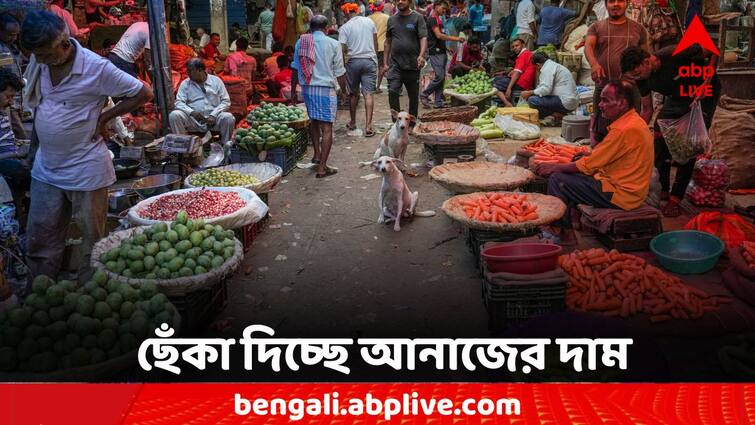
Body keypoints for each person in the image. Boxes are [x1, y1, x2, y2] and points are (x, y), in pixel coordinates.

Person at [21, 11, 153, 283]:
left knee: (91, 240)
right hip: (46, 167)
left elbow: (143, 93)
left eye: (44, 54)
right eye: (36, 55)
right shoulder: (39, 64)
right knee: (40, 236)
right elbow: (38, 110)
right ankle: (40, 288)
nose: (39, 61)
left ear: (65, 44)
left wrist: (104, 117)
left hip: (85, 168)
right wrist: (34, 150)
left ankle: (90, 289)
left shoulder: (97, 68)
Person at [535, 80, 653, 245]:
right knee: (572, 168)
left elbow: (589, 165)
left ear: (622, 103)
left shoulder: (624, 129)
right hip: (627, 188)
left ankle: (563, 233)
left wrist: (554, 166)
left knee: (558, 179)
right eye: (601, 100)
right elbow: (601, 156)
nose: (600, 105)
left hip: (622, 195)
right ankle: (570, 222)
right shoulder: (633, 121)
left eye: (606, 100)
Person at [621, 45, 720, 217]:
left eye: (637, 74)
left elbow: (713, 51)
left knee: (687, 144)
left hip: (704, 94)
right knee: (659, 137)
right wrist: (635, 134)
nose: (637, 78)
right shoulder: (641, 78)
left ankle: (676, 198)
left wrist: (706, 83)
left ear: (647, 61)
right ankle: (663, 189)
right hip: (677, 97)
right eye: (633, 76)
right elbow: (646, 109)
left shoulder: (675, 53)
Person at [291, 15, 349, 178]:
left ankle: (317, 154)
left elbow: (295, 68)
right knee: (327, 128)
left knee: (314, 122)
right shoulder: (333, 44)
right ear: (327, 28)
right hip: (325, 89)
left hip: (307, 88)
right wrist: (344, 91)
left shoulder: (301, 42)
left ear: (310, 27)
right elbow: (340, 71)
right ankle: (322, 167)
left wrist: (293, 89)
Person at [584, 0, 648, 144]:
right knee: (601, 130)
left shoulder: (639, 29)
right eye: (611, 1)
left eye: (620, 1)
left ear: (627, 3)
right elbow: (588, 47)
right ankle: (601, 160)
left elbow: (645, 56)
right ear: (606, 4)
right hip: (604, 87)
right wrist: (594, 64)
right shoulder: (596, 27)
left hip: (630, 88)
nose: (616, 4)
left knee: (630, 129)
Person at [170, 58, 235, 146]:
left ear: (200, 70)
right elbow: (179, 102)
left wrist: (214, 114)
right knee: (174, 115)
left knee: (228, 117)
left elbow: (226, 101)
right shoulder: (185, 84)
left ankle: (225, 147)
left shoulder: (216, 81)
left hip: (214, 119)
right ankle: (183, 147)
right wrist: (192, 112)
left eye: (190, 71)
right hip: (194, 120)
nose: (187, 74)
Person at [383, 0, 427, 122]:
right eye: (398, 0)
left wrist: (422, 55)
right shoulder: (391, 20)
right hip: (395, 65)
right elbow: (388, 41)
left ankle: (411, 122)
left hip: (413, 64)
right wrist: (385, 63)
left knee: (413, 96)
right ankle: (397, 121)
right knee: (392, 91)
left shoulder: (418, 18)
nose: (400, 1)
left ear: (410, 1)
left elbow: (423, 37)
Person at [339, 3, 379, 136]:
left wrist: (344, 63)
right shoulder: (369, 21)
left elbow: (342, 49)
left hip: (353, 62)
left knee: (353, 94)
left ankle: (353, 122)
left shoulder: (345, 27)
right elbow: (375, 42)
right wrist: (375, 57)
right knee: (368, 94)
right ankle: (368, 127)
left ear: (346, 13)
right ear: (357, 10)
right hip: (369, 60)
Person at [420, 0, 464, 109]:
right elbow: (439, 36)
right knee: (439, 76)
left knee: (442, 78)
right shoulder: (432, 19)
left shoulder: (439, 19)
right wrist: (456, 38)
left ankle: (438, 101)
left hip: (442, 51)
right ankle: (425, 94)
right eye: (442, 8)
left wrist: (447, 48)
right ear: (436, 6)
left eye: (445, 9)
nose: (444, 11)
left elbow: (441, 37)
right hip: (435, 51)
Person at [521, 52, 578, 124]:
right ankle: (558, 114)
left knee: (533, 100)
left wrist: (530, 93)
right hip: (571, 102)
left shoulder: (547, 68)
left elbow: (546, 90)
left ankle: (556, 115)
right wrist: (533, 92)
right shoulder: (553, 66)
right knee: (534, 96)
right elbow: (542, 87)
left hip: (565, 102)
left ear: (538, 65)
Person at [0, 68, 30, 200]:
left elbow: (8, 140)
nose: (11, 102)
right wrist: (19, 153)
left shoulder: (2, 112)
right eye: (8, 96)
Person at [0, 14, 25, 140]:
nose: (14, 38)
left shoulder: (12, 48)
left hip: (14, 97)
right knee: (12, 127)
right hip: (6, 97)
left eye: (16, 35)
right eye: (10, 35)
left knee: (15, 126)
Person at [492, 37, 535, 107]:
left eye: (517, 45)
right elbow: (517, 70)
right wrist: (508, 72)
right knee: (499, 78)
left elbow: (517, 73)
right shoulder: (526, 54)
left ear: (523, 45)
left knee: (494, 82)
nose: (515, 48)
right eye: (513, 46)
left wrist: (509, 88)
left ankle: (507, 103)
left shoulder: (524, 54)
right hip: (524, 82)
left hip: (522, 84)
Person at [369, 1, 390, 93]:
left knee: (372, 67)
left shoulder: (368, 18)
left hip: (371, 46)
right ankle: (377, 86)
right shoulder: (387, 18)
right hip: (383, 46)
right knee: (382, 66)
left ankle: (372, 86)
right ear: (382, 7)